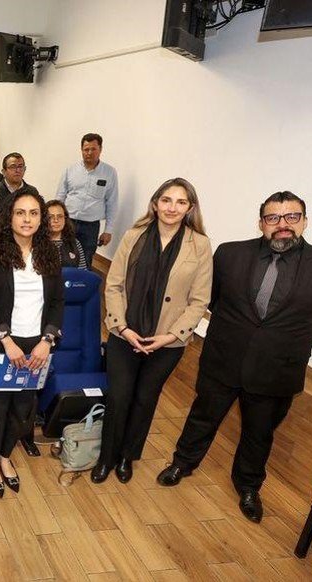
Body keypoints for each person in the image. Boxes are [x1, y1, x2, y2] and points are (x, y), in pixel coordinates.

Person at [156, 191, 312, 523]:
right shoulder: (230, 254)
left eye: (292, 217)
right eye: (273, 218)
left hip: (277, 369)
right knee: (202, 415)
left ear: (305, 221)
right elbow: (212, 300)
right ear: (261, 223)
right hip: (223, 358)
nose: (282, 225)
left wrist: (286, 339)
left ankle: (248, 486)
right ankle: (182, 463)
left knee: (259, 432)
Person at [91, 178, 213, 486]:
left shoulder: (199, 245)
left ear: (190, 208)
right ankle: (106, 457)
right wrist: (123, 327)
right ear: (155, 203)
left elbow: (200, 301)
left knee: (145, 399)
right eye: (166, 200)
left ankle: (126, 458)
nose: (172, 207)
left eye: (180, 202)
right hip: (124, 335)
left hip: (167, 343)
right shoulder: (133, 236)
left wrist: (170, 336)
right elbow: (115, 285)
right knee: (119, 397)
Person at [0, 188, 63, 497]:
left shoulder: (49, 253)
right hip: (1, 343)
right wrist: (6, 340)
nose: (27, 219)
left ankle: (7, 455)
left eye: (34, 213)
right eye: (20, 213)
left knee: (23, 407)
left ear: (41, 219)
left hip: (37, 345)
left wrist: (47, 340)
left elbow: (58, 303)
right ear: (9, 216)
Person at [55, 133, 119, 267]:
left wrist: (108, 230)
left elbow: (112, 202)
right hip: (68, 222)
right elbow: (60, 197)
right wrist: (56, 220)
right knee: (62, 256)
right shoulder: (70, 170)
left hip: (91, 227)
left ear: (100, 149)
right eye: (86, 149)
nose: (89, 153)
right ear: (81, 150)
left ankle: (82, 286)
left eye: (93, 149)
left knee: (86, 258)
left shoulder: (109, 172)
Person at [45, 200, 87, 269]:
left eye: (60, 216)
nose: (56, 220)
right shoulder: (37, 243)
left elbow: (82, 271)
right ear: (44, 219)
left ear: (65, 219)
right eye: (51, 217)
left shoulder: (75, 243)